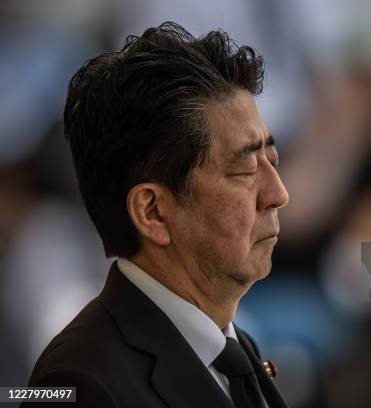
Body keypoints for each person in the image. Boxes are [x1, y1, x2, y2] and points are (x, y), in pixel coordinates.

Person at [22, 22, 290, 408]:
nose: (278, 194)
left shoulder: (234, 349)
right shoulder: (80, 384)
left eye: (273, 160)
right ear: (152, 212)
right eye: (245, 171)